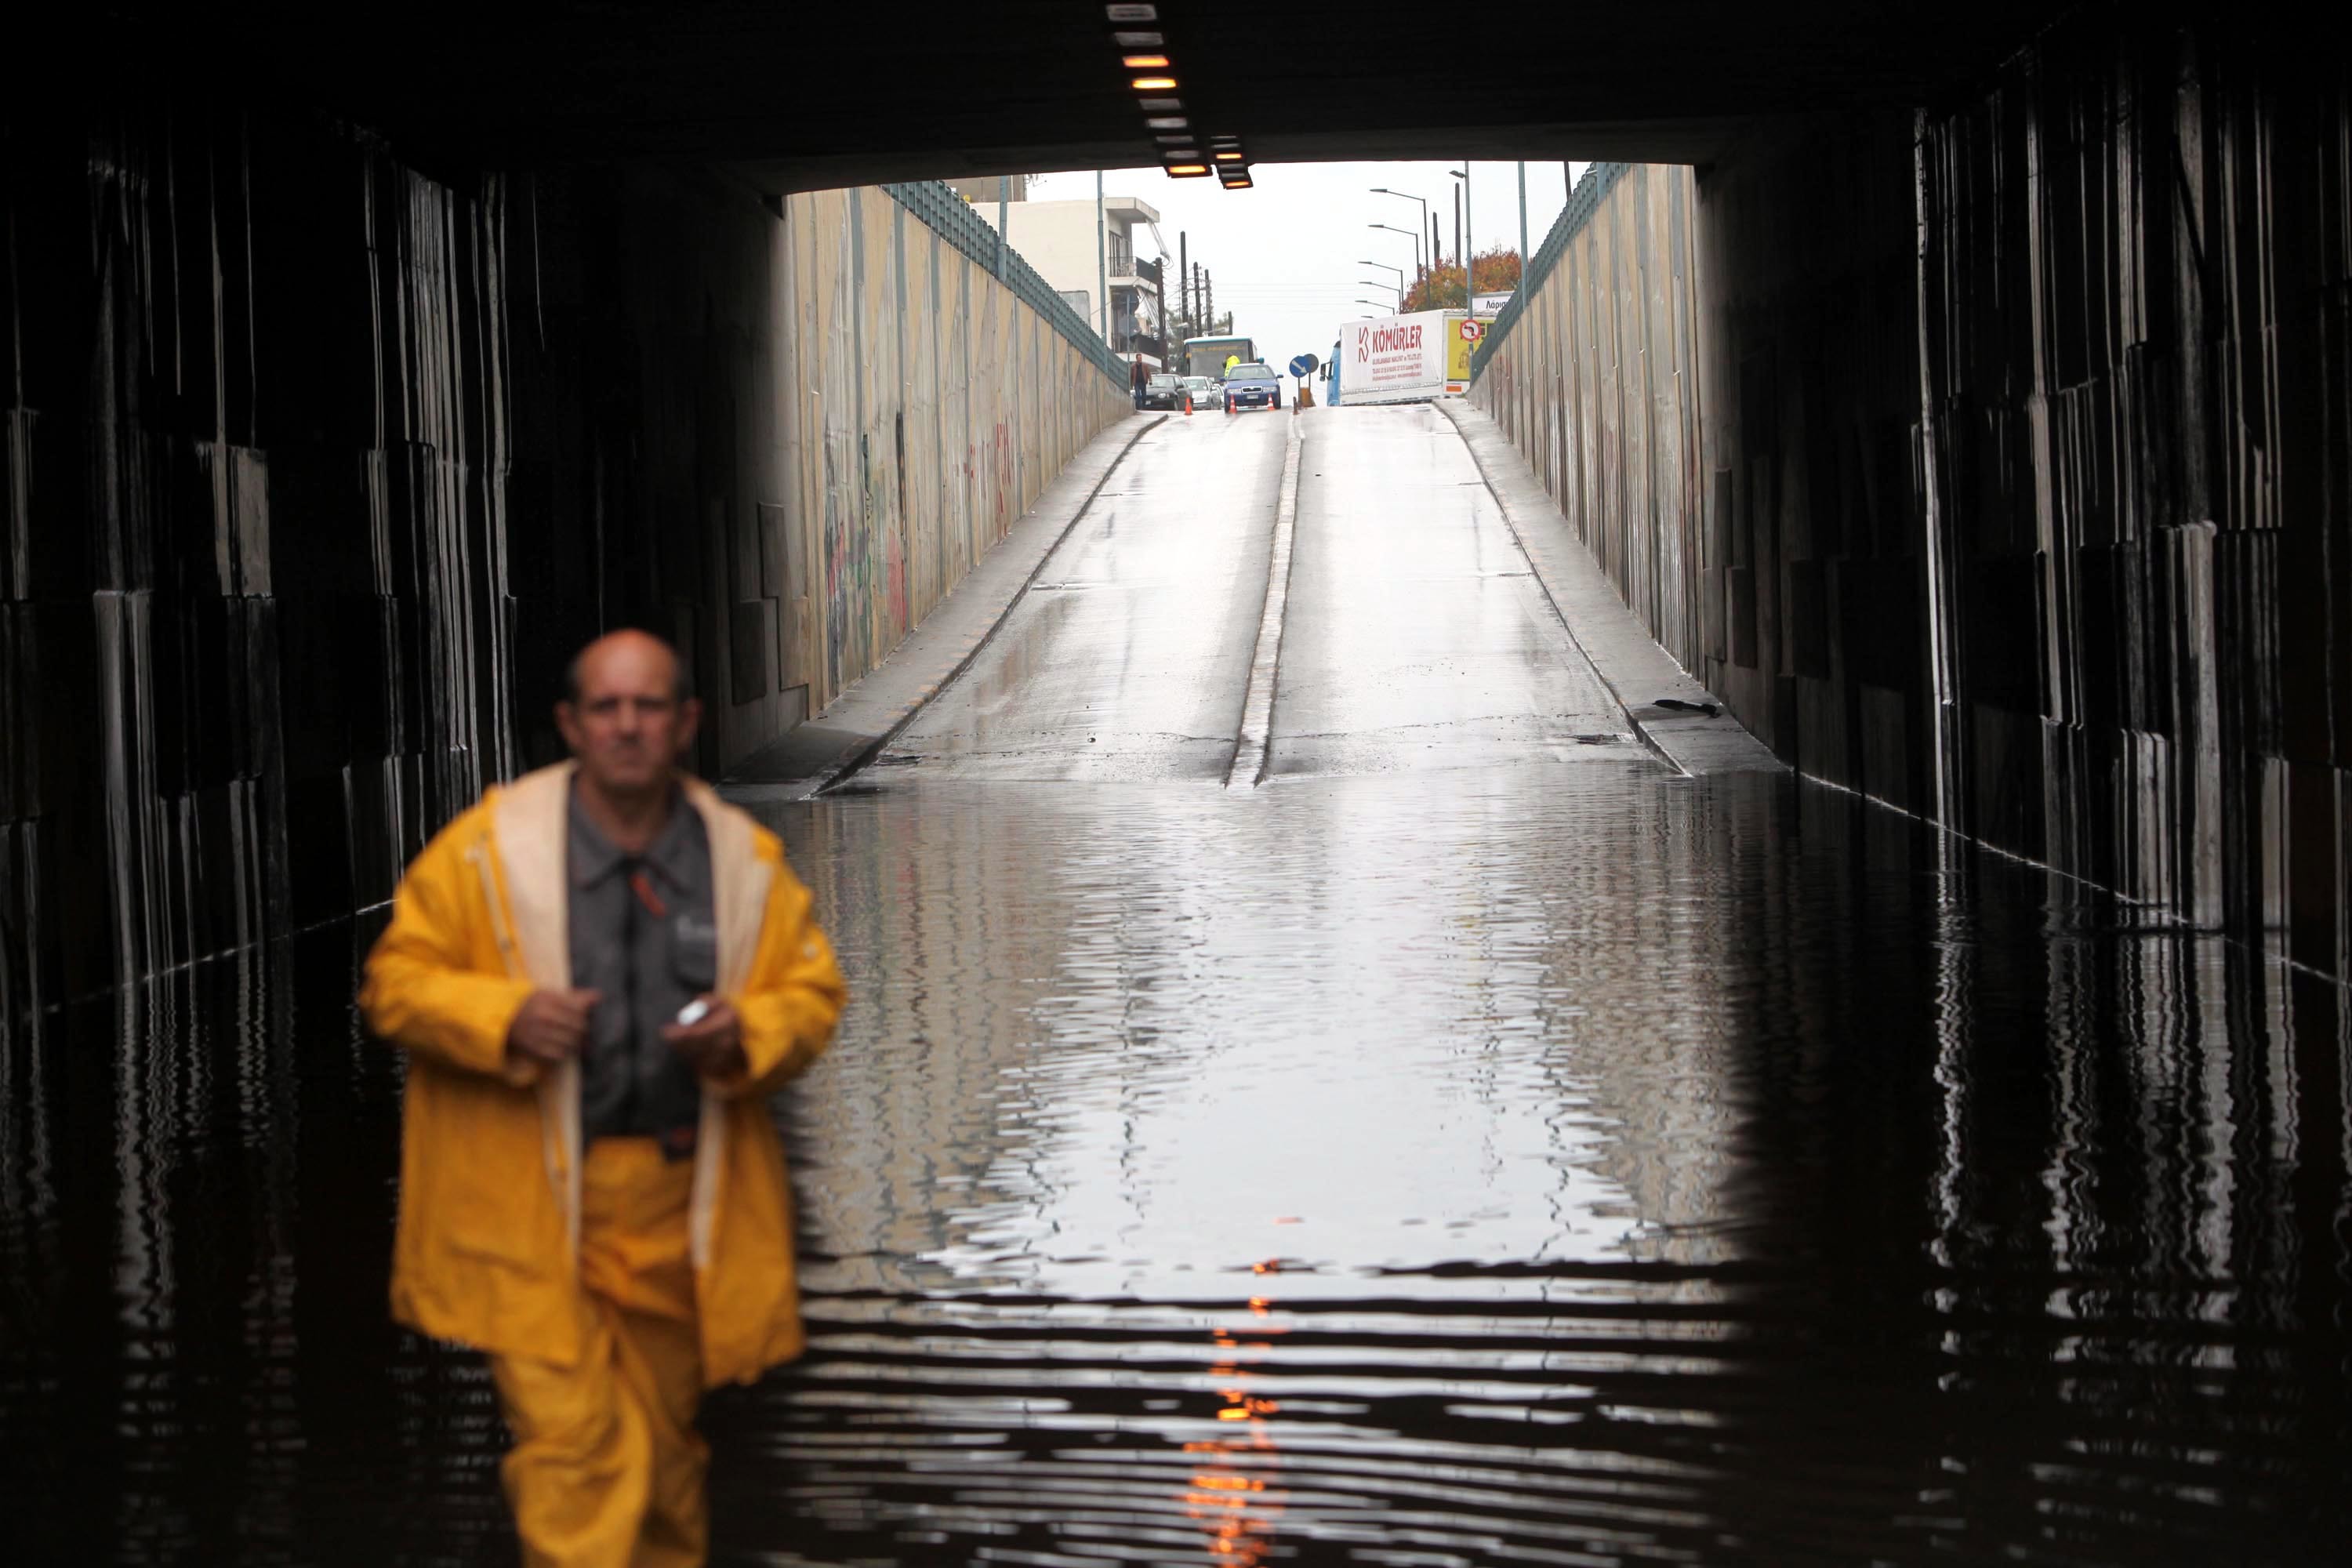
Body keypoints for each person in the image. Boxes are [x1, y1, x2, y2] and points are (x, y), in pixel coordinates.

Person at [360, 630, 847, 1567]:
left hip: (677, 1211)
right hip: (530, 1215)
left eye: (650, 705)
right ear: (572, 725)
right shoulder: (486, 852)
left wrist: (746, 1033)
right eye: (608, 708)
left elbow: (811, 994)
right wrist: (505, 1018)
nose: (628, 726)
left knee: (664, 1461)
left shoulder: (740, 860)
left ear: (686, 722)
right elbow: (397, 981)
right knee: (580, 1453)